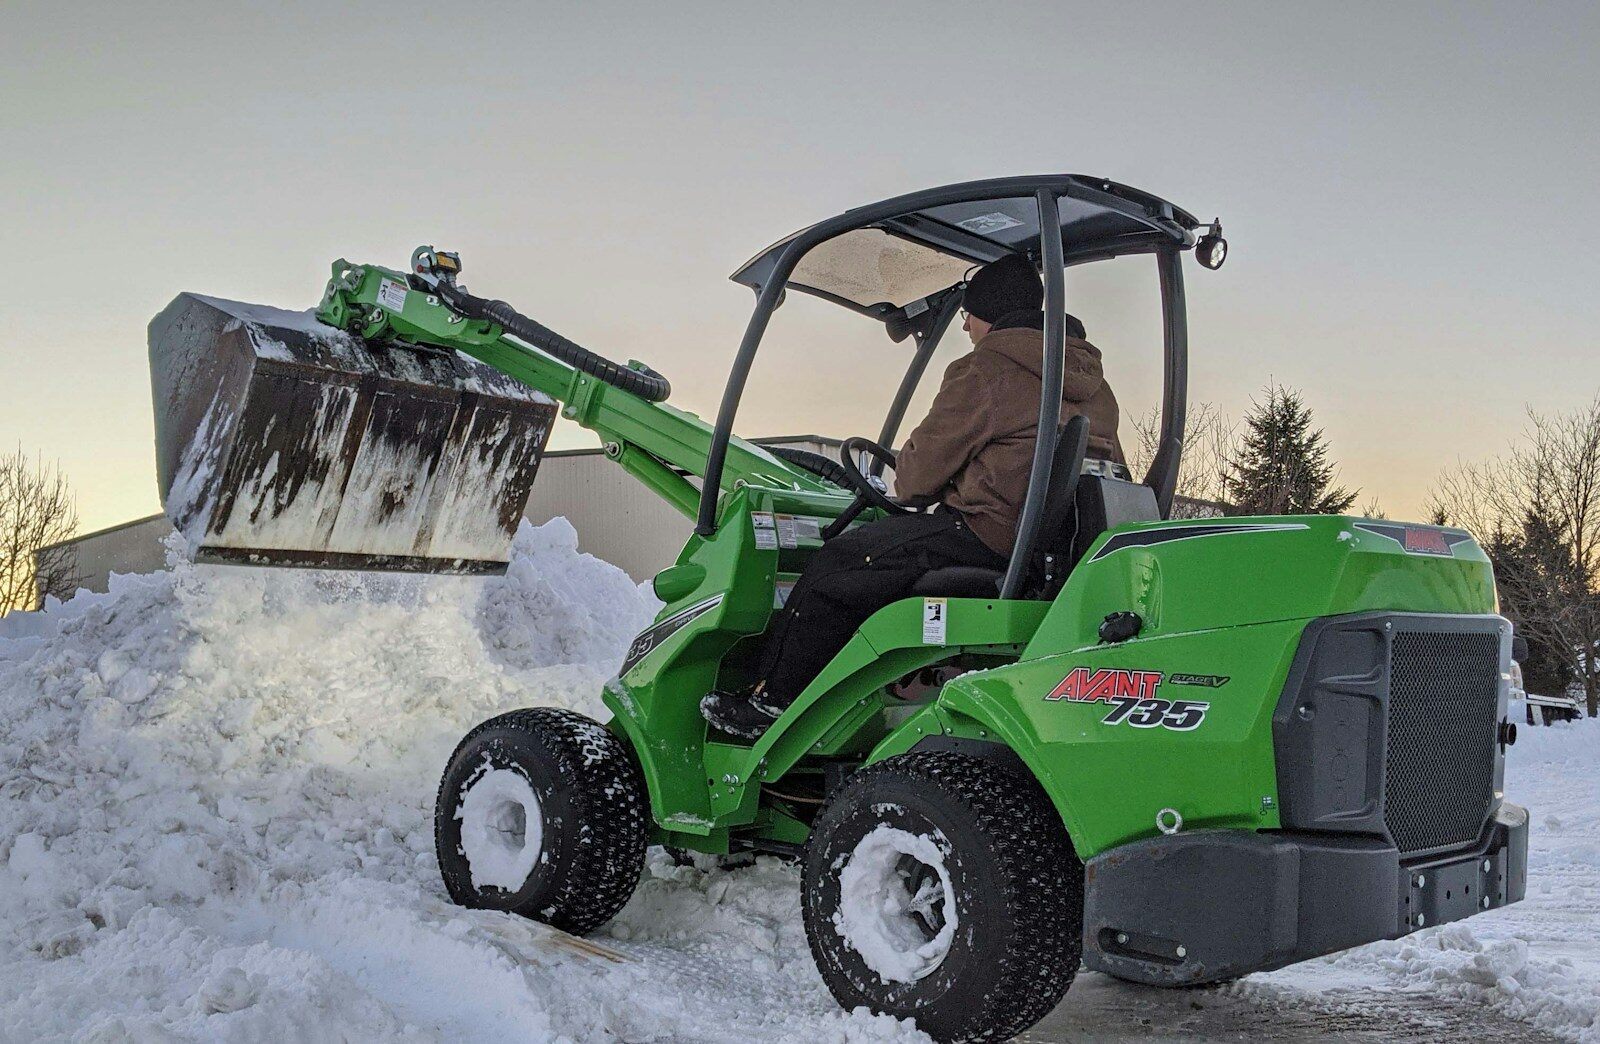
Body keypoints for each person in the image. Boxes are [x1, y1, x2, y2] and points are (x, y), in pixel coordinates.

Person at [700, 254, 1125, 739]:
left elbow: (915, 479)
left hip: (986, 534)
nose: (965, 325)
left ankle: (770, 702)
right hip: (1057, 550)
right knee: (879, 557)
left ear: (989, 313)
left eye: (968, 313)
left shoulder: (988, 367)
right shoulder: (1093, 383)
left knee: (837, 565)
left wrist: (931, 475)